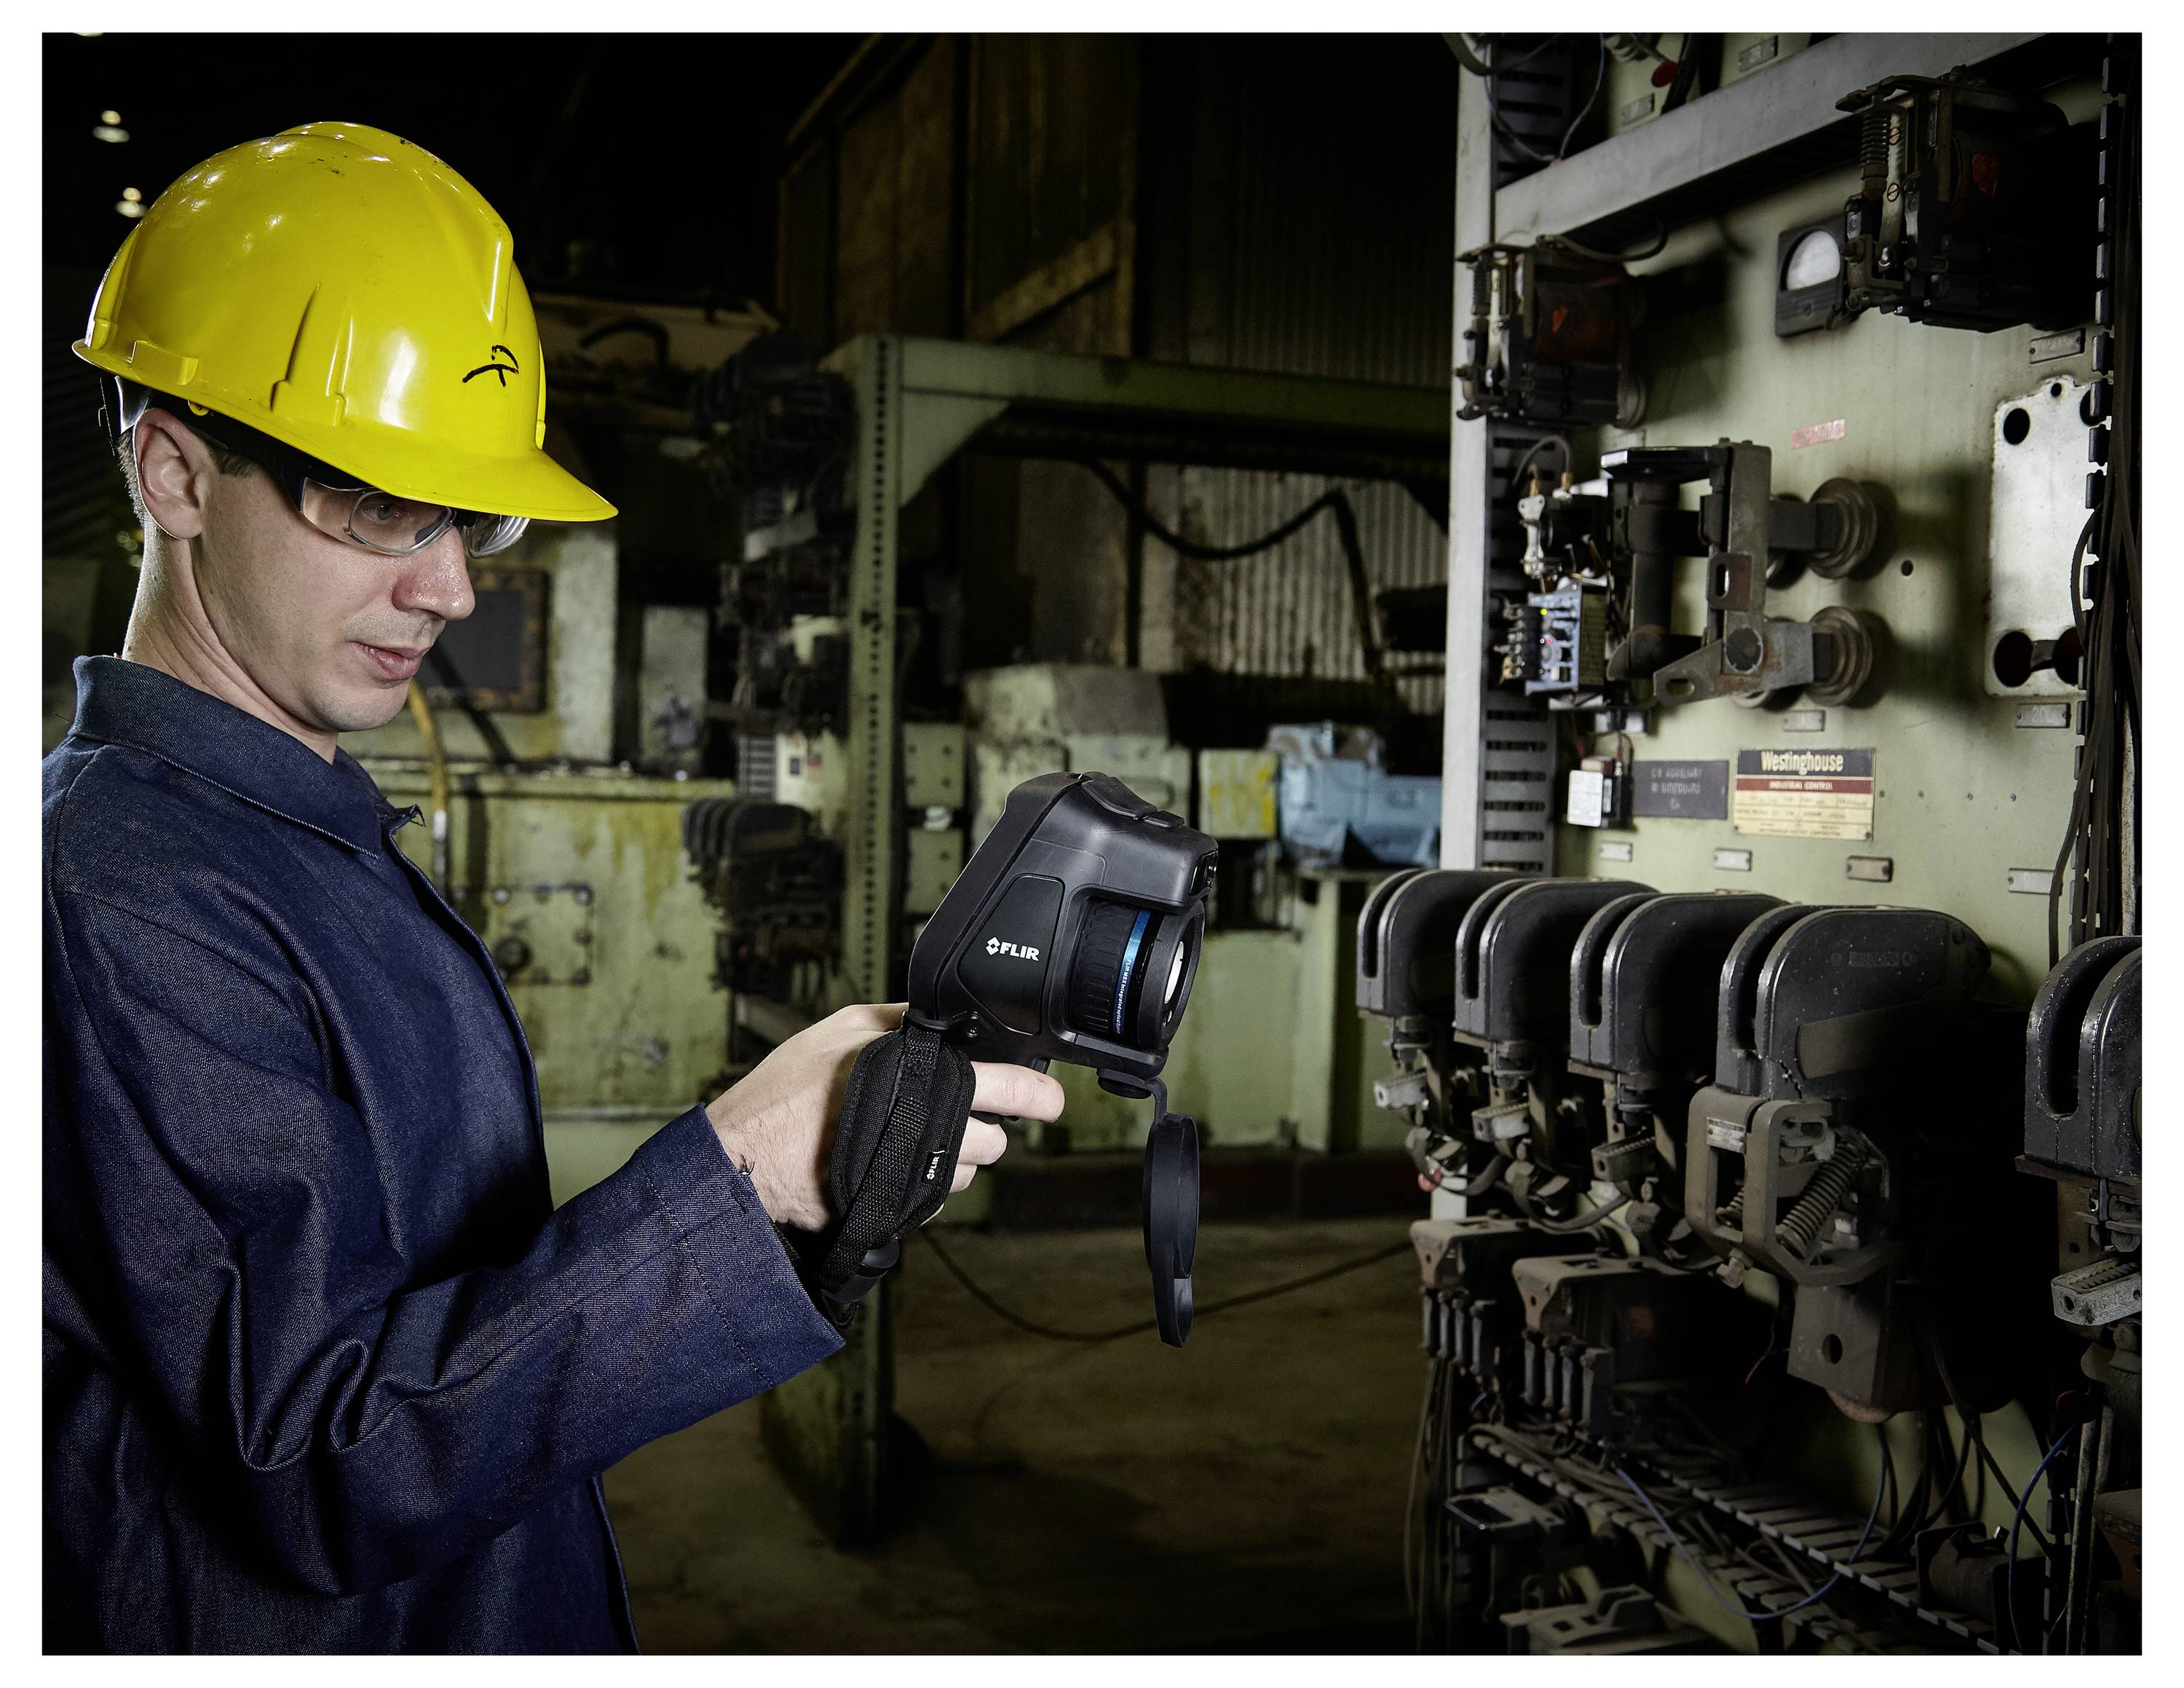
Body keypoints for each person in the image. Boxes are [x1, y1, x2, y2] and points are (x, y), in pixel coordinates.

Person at [43, 120, 1061, 1655]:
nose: (450, 586)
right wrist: (739, 1179)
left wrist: (795, 1182)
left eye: (471, 518)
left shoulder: (280, 827)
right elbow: (320, 1454)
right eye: (381, 506)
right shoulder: (122, 892)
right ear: (174, 472)